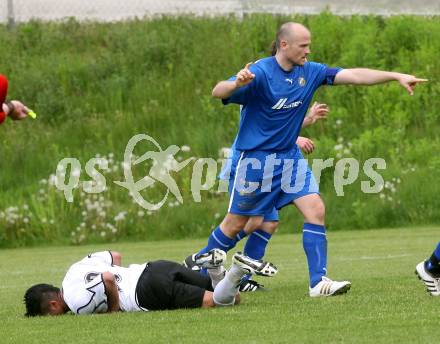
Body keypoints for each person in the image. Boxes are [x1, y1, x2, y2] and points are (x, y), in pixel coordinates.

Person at [186, 22, 427, 297]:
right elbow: (217, 91)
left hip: (290, 157)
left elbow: (353, 75)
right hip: (257, 161)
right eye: (303, 45)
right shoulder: (261, 72)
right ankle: (197, 265)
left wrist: (395, 76)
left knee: (316, 209)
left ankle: (318, 282)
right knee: (239, 224)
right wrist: (236, 83)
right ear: (284, 45)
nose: (308, 50)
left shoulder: (310, 72)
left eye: (309, 45)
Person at [185, 102, 328, 292]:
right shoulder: (260, 82)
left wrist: (308, 118)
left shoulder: (287, 83)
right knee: (247, 223)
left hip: (278, 163)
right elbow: (259, 126)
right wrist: (295, 139)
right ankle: (201, 260)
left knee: (267, 222)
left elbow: (285, 121)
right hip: (250, 163)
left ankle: (237, 276)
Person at [23, 248, 277, 316]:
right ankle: (215, 267)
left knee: (217, 304)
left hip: (146, 291)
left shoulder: (77, 304)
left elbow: (108, 278)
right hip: (154, 267)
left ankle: (234, 269)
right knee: (234, 298)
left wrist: (113, 309)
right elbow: (114, 257)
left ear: (54, 305)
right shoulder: (73, 270)